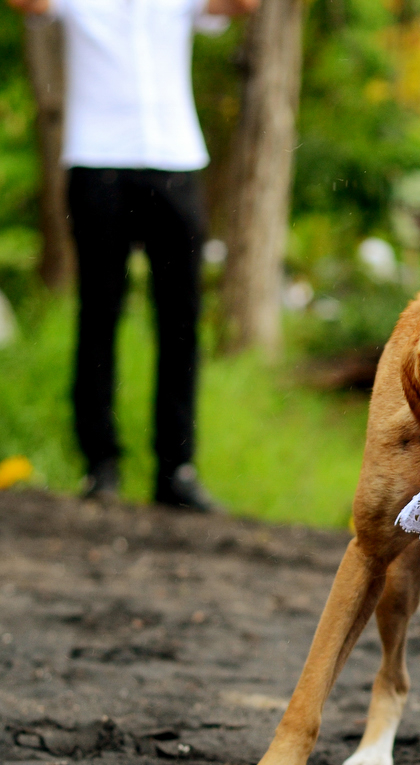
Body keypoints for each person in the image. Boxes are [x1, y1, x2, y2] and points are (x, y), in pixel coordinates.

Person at [7, 0, 259, 510]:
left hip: (175, 162)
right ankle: (100, 464)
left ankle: (177, 469)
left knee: (181, 320)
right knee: (99, 313)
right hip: (98, 162)